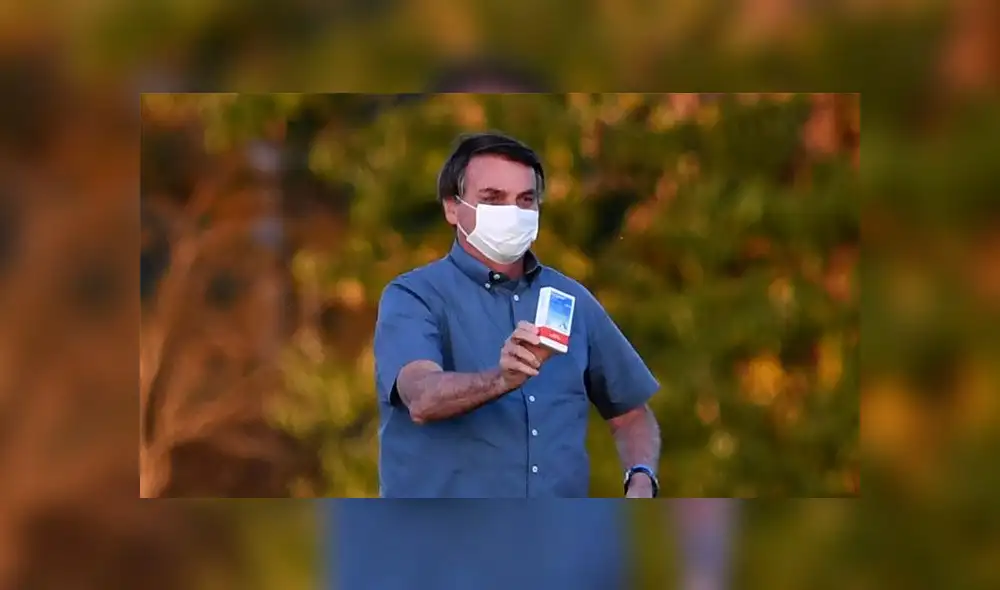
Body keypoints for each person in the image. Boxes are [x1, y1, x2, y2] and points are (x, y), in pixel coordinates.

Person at [373, 131, 662, 498]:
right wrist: (500, 380)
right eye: (493, 199)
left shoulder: (571, 298)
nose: (513, 213)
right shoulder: (413, 297)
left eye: (525, 200)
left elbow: (632, 414)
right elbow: (422, 398)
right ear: (452, 207)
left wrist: (640, 477)